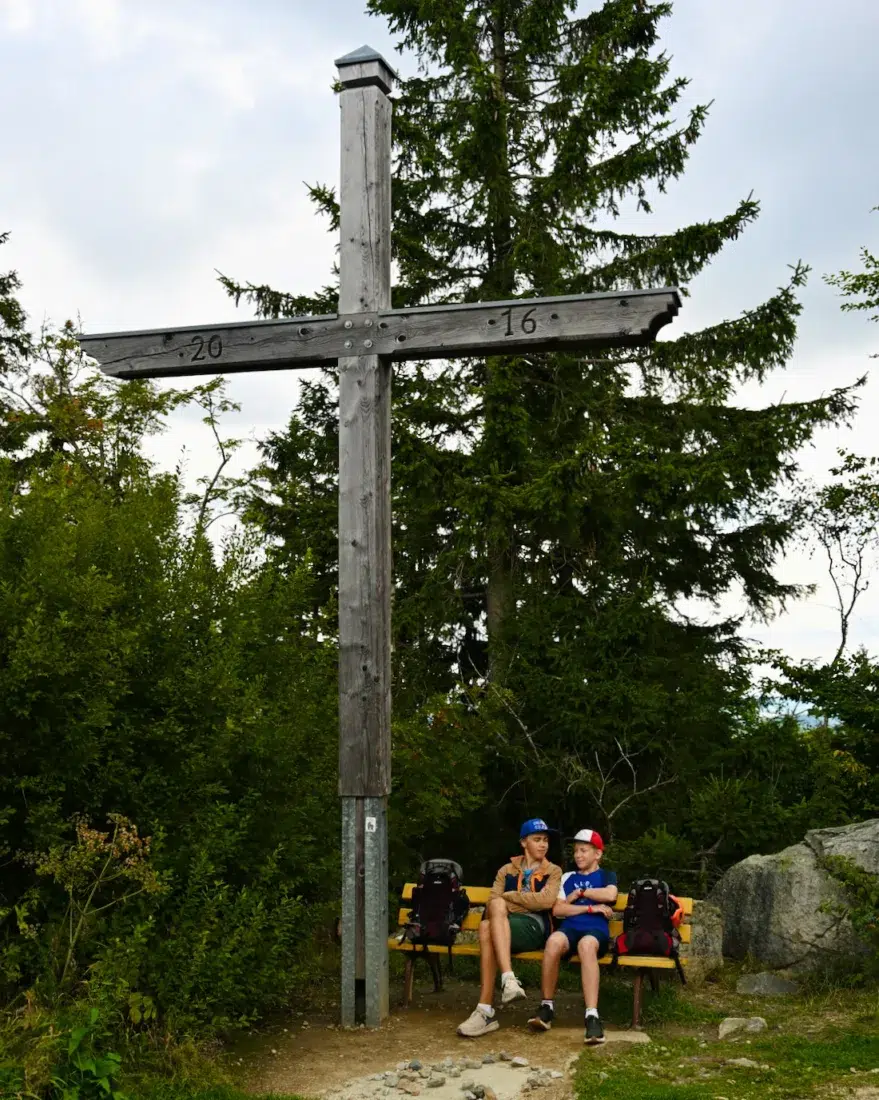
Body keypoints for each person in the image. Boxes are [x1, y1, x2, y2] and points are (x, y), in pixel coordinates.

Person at [457, 818, 562, 1038]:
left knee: (492, 919)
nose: (543, 844)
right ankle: (494, 997)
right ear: (524, 843)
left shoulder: (553, 870)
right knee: (487, 926)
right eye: (537, 839)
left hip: (534, 926)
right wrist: (511, 903)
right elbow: (492, 901)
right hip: (503, 926)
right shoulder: (506, 870)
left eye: (545, 840)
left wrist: (510, 899)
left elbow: (545, 901)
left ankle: (490, 1002)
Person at [527, 827, 617, 1044]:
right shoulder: (567, 877)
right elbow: (558, 910)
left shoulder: (606, 875)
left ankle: (592, 1016)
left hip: (595, 932)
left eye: (584, 850)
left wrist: (581, 894)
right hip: (570, 928)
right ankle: (546, 1007)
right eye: (576, 851)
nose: (578, 855)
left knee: (586, 946)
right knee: (553, 941)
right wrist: (589, 907)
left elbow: (610, 894)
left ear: (597, 854)